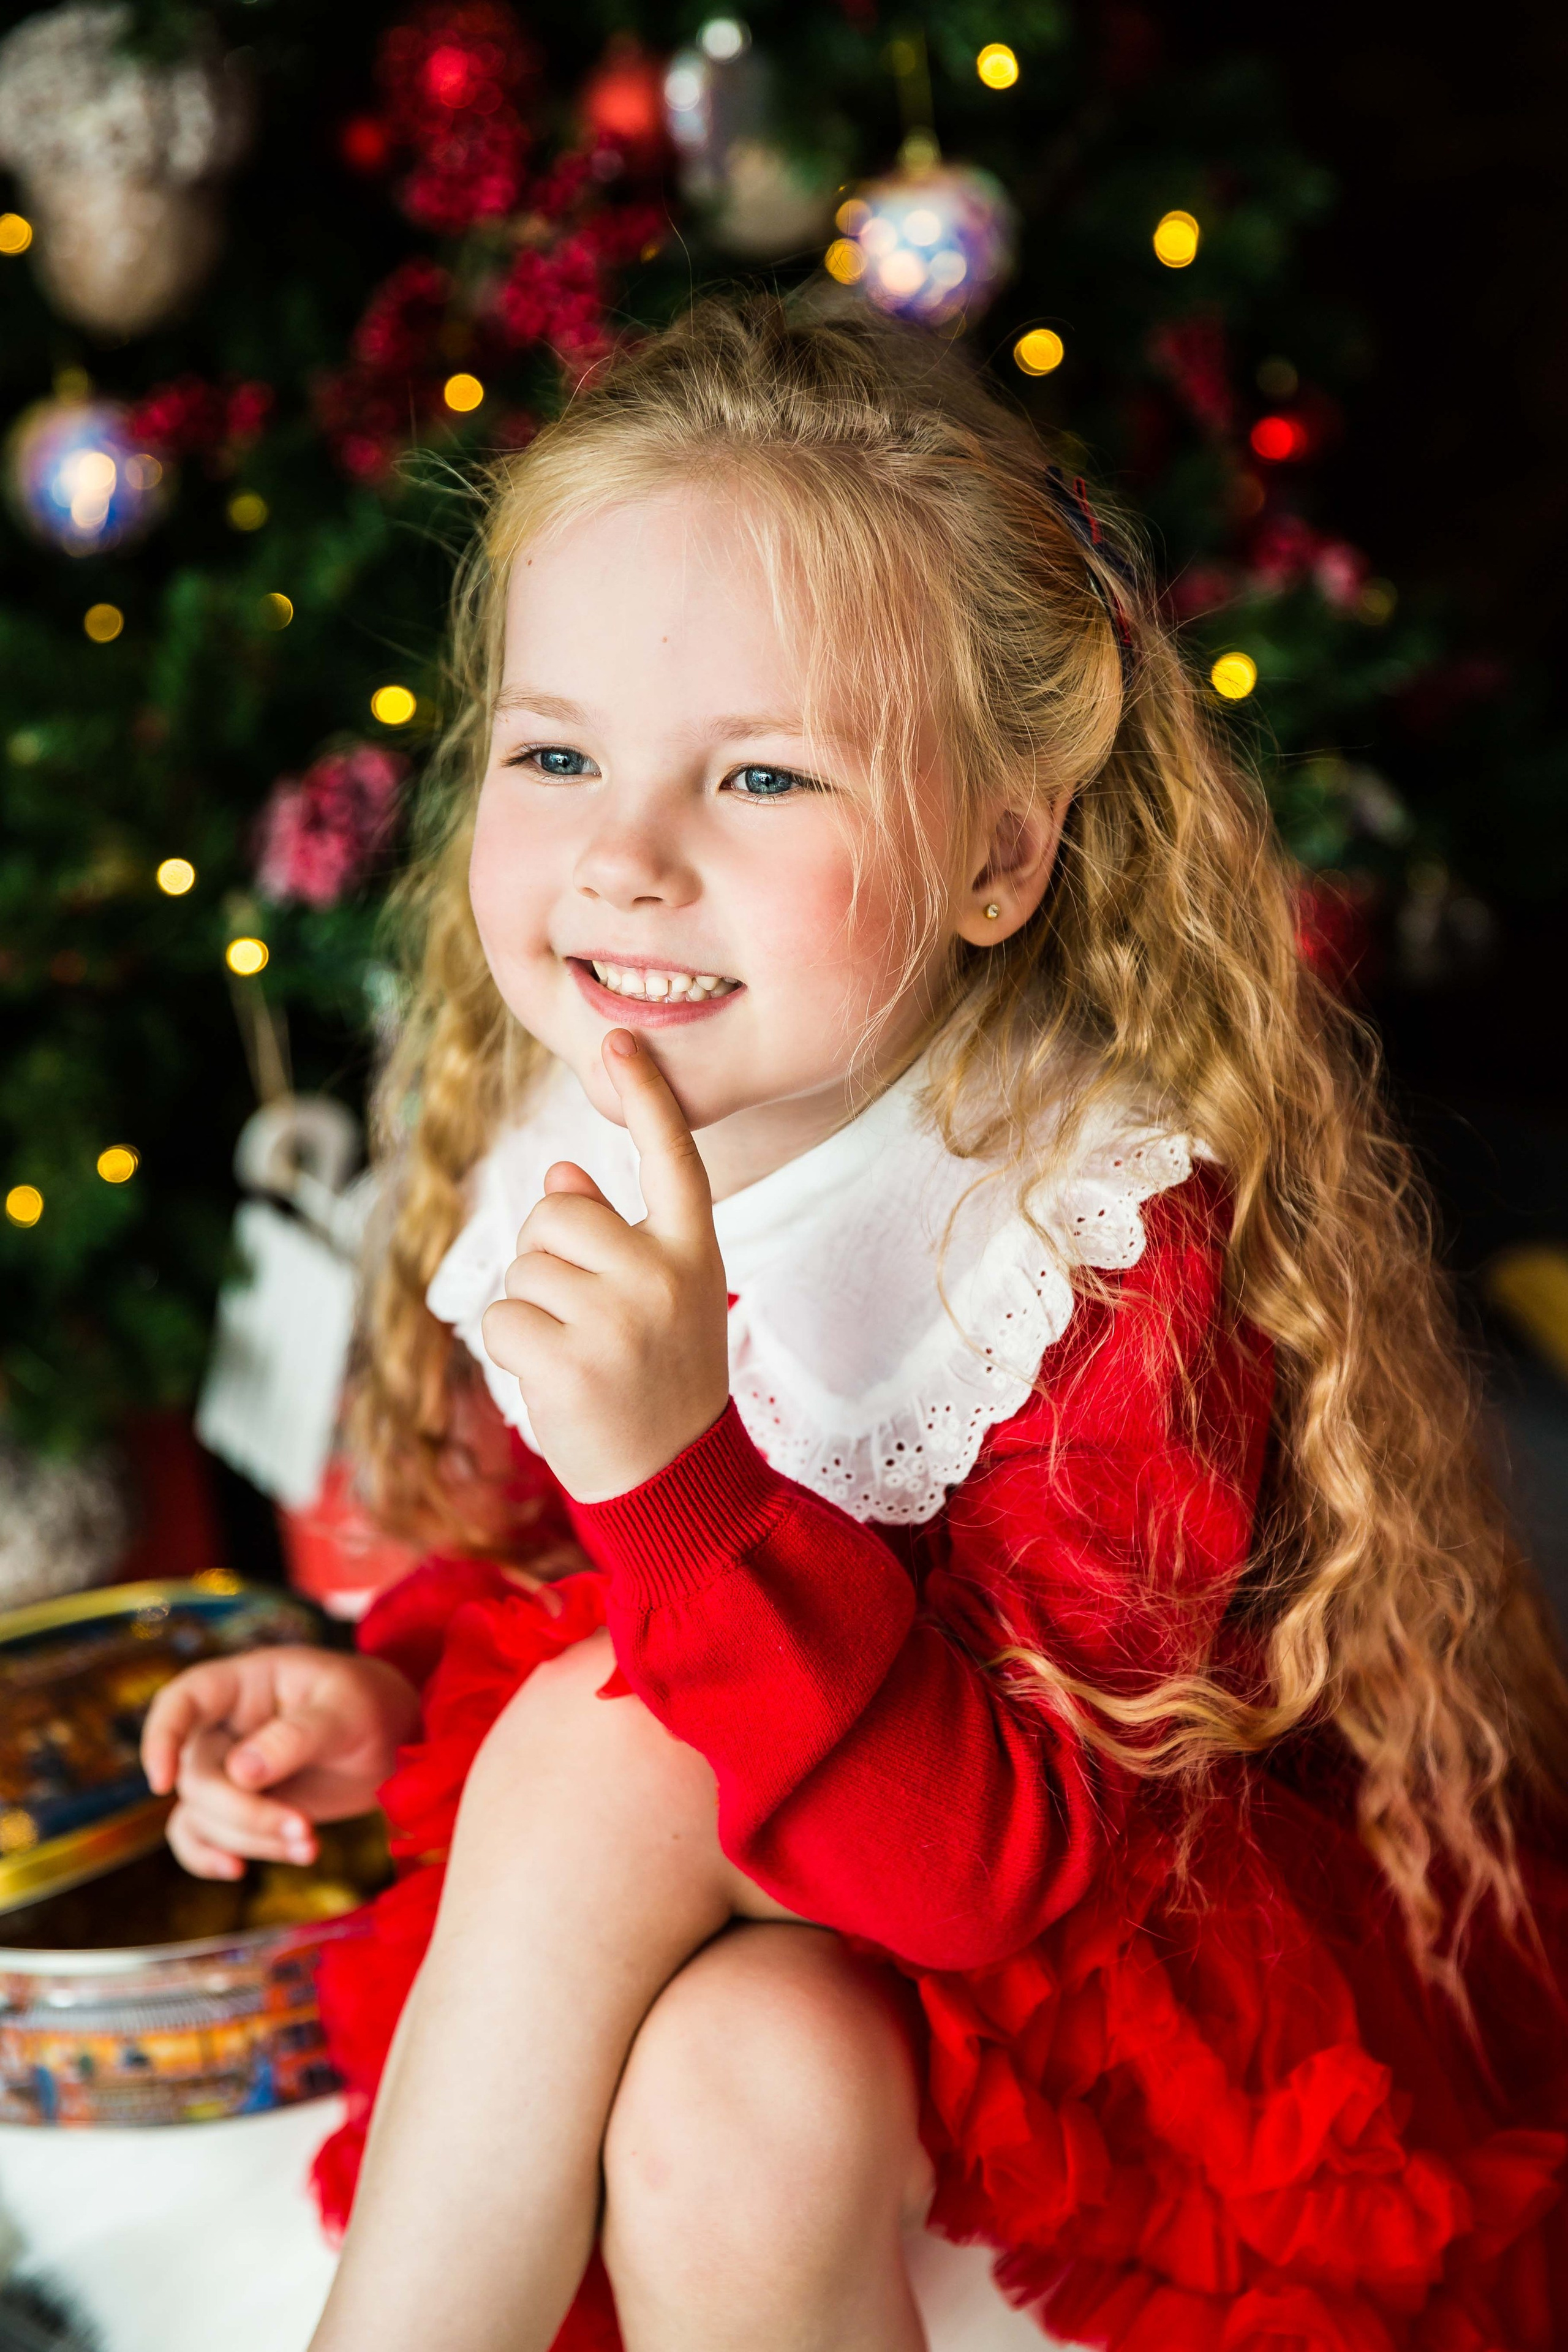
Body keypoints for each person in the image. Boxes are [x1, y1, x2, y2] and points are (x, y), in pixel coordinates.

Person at [142, 298, 1568, 2352]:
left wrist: (677, 1473)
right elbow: (568, 1588)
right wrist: (384, 1723)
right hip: (794, 2015)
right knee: (743, 2086)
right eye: (556, 754)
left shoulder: (1068, 1234)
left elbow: (1000, 1881)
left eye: (762, 774)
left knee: (601, 1760)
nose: (625, 860)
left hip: (1084, 2026)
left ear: (1000, 851)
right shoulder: (585, 1111)